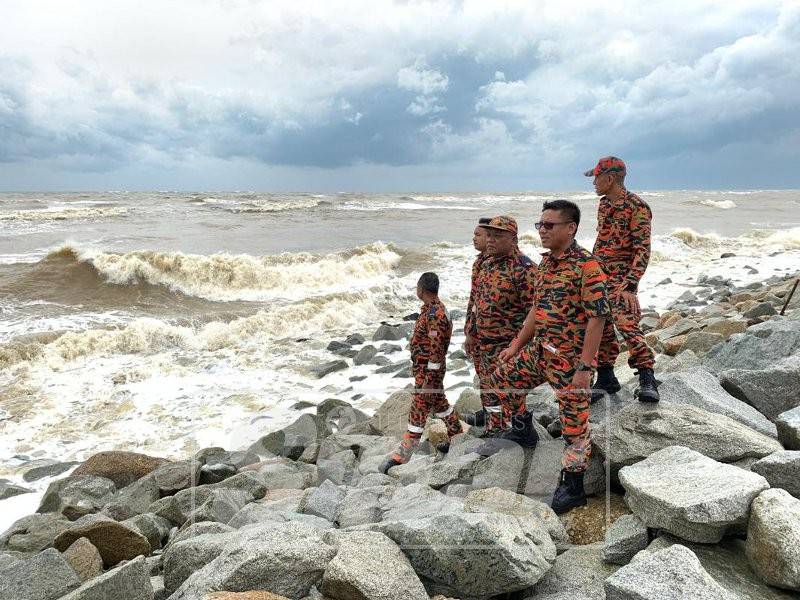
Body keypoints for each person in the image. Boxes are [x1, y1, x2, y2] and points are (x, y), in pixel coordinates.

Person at [482, 200, 610, 514]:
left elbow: (597, 319)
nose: (542, 230)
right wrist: (514, 346)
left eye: (549, 225)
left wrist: (585, 366)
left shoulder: (587, 267)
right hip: (541, 352)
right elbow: (536, 313)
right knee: (501, 378)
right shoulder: (547, 265)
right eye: (540, 225)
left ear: (571, 227)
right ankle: (523, 428)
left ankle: (574, 484)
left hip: (570, 361)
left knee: (574, 425)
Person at [585, 157, 659, 402]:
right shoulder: (604, 205)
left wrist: (630, 285)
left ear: (610, 178)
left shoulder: (637, 207)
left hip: (621, 279)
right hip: (599, 276)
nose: (593, 183)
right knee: (600, 327)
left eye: (596, 177)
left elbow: (642, 250)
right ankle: (606, 377)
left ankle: (647, 377)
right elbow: (603, 241)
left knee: (627, 326)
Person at [459, 216, 537, 438]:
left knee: (508, 390)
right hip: (483, 342)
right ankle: (495, 430)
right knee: (488, 389)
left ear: (513, 239)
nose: (490, 241)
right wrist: (470, 333)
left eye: (498, 236)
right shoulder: (485, 263)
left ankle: (521, 432)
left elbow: (535, 312)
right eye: (489, 235)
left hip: (507, 345)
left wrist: (519, 346)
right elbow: (475, 301)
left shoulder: (524, 269)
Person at [380, 272, 462, 473]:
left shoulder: (435, 314)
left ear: (421, 289)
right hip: (426, 373)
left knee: (417, 414)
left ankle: (402, 457)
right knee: (441, 405)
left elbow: (436, 351)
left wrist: (430, 380)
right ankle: (458, 436)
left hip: (428, 374)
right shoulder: (432, 310)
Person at [464, 216, 491, 389]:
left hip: (491, 333)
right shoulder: (479, 262)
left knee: (492, 376)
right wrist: (469, 329)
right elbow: (474, 299)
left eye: (478, 234)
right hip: (477, 329)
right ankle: (488, 411)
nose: (474, 238)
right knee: (482, 373)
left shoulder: (493, 264)